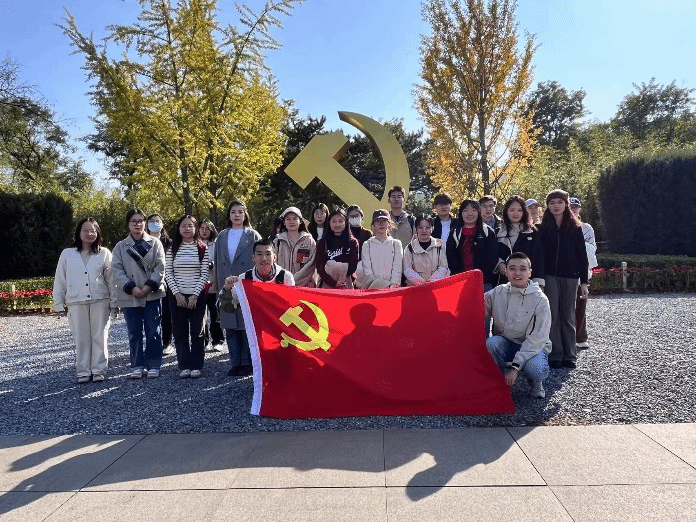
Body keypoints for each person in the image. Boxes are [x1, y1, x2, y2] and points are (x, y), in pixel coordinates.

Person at [53, 217, 116, 383]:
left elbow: (111, 280)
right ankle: (83, 371)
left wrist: (114, 302)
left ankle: (99, 370)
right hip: (76, 301)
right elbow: (60, 278)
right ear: (79, 233)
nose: (89, 234)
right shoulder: (67, 254)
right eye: (85, 230)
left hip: (100, 300)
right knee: (81, 338)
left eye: (93, 231)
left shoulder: (104, 253)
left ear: (98, 233)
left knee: (99, 336)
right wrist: (58, 303)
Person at [485, 252, 551, 399]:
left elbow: (537, 339)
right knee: (491, 343)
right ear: (506, 271)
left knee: (536, 369)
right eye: (512, 268)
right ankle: (500, 381)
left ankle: (535, 382)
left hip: (534, 347)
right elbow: (476, 307)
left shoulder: (540, 299)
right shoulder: (497, 292)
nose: (517, 273)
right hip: (507, 343)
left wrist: (515, 367)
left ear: (530, 272)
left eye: (522, 269)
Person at [112, 208, 166, 379]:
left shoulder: (155, 243)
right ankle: (137, 365)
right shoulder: (121, 246)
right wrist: (132, 288)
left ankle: (154, 365)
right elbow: (116, 270)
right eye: (133, 221)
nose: (138, 224)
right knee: (134, 333)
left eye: (141, 221)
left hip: (151, 294)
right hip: (130, 295)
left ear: (145, 223)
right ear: (128, 224)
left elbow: (160, 267)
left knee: (153, 331)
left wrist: (149, 286)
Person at [538, 189, 589, 369]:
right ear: (547, 206)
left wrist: (584, 282)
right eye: (552, 203)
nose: (556, 206)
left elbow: (582, 256)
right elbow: (539, 255)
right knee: (552, 314)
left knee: (568, 315)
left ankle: (570, 355)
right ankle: (556, 354)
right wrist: (540, 278)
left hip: (570, 276)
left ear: (566, 204)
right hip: (549, 275)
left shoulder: (575, 228)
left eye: (559, 202)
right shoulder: (542, 228)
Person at [214, 199, 262, 377]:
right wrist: (218, 287)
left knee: (246, 325)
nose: (237, 215)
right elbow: (217, 262)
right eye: (233, 212)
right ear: (228, 215)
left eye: (240, 212)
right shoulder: (222, 236)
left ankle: (247, 362)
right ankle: (235, 362)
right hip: (226, 284)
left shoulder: (253, 235)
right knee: (230, 326)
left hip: (246, 284)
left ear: (245, 214)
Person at [165, 215, 209, 378]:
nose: (187, 229)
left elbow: (204, 273)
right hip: (177, 296)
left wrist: (195, 295)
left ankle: (196, 365)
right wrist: (177, 294)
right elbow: (168, 273)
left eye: (190, 226)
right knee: (180, 332)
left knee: (197, 332)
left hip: (197, 296)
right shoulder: (173, 248)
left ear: (195, 228)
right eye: (183, 225)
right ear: (179, 228)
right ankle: (184, 365)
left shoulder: (202, 247)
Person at [219, 239, 295, 324]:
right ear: (253, 258)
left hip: (278, 327)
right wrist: (227, 289)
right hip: (253, 328)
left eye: (268, 254)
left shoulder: (285, 277)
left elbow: (292, 308)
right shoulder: (245, 278)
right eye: (259, 254)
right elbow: (229, 308)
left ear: (275, 257)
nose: (264, 258)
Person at [446, 199, 499, 289]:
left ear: (479, 212)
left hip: (484, 282)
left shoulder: (487, 231)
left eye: (474, 210)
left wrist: (481, 276)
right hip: (460, 281)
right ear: (461, 213)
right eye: (466, 210)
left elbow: (493, 257)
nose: (470, 214)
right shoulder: (454, 233)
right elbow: (450, 258)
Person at [495, 195, 545, 287]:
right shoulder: (498, 232)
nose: (516, 214)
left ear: (524, 212)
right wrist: (499, 264)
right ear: (506, 211)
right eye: (512, 210)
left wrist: (539, 283)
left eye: (519, 210)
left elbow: (538, 258)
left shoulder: (532, 232)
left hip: (527, 283)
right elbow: (493, 253)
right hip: (503, 282)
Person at [570, 197, 597, 350]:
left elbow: (591, 250)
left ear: (580, 209)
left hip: (582, 272)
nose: (573, 209)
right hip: (565, 272)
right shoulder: (561, 226)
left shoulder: (587, 228)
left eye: (575, 207)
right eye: (570, 207)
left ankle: (580, 337)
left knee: (581, 305)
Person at [146, 213, 175, 356]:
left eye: (157, 221)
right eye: (151, 221)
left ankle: (167, 343)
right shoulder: (143, 242)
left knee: (167, 314)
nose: (154, 223)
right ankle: (153, 343)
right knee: (151, 314)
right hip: (148, 282)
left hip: (168, 282)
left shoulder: (170, 243)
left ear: (163, 224)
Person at [356, 209, 403, 289]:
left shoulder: (396, 244)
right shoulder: (367, 245)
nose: (381, 224)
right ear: (373, 225)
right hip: (373, 288)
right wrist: (381, 285)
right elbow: (367, 271)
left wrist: (393, 286)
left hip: (392, 289)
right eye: (378, 221)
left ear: (389, 224)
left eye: (384, 221)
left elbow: (397, 269)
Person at [315, 208, 359, 289]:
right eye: (334, 221)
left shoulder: (352, 242)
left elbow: (353, 266)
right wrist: (333, 282)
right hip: (327, 284)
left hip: (346, 283)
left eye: (340, 221)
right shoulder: (323, 242)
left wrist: (341, 279)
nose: (337, 224)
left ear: (346, 222)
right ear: (329, 223)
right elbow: (320, 266)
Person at [273, 206, 317, 287]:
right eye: (288, 219)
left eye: (294, 219)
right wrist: (284, 280)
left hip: (304, 286)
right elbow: (273, 264)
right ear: (284, 222)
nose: (291, 222)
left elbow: (310, 265)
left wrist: (292, 281)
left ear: (300, 221)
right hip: (282, 286)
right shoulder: (277, 242)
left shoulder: (309, 241)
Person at [198, 218, 225, 352]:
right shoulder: (193, 243)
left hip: (214, 283)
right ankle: (202, 341)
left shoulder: (217, 243)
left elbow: (221, 260)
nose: (204, 231)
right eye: (202, 228)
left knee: (215, 313)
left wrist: (211, 264)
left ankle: (218, 340)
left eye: (207, 228)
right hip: (198, 284)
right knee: (200, 315)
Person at [403, 215, 449, 286]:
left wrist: (431, 282)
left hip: (435, 286)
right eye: (420, 227)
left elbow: (443, 267)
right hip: (415, 287)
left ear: (432, 228)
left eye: (427, 227)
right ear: (416, 229)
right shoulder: (409, 248)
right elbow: (407, 269)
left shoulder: (439, 246)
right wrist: (422, 283)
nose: (424, 231)